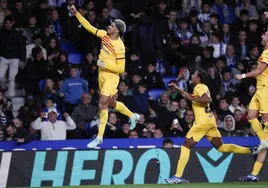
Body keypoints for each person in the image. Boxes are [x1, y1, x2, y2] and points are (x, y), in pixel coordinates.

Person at [165, 69, 255, 184]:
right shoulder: (200, 87)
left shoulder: (200, 87)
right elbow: (187, 95)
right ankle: (250, 151)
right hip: (210, 121)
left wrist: (192, 98)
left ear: (198, 78)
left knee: (186, 146)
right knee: (221, 147)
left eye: (194, 75)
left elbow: (207, 99)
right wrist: (177, 88)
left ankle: (177, 176)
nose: (192, 76)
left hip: (202, 122)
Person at [69, 5, 140, 148]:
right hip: (101, 76)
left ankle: (99, 137)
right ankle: (133, 116)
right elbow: (88, 26)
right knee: (112, 104)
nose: (109, 26)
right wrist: (76, 13)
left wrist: (104, 65)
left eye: (112, 25)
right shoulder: (104, 35)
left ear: (117, 30)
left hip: (111, 77)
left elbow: (121, 68)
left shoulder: (119, 46)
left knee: (102, 103)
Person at [236, 11, 268, 182]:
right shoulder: (266, 50)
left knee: (266, 123)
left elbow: (259, 71)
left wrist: (242, 76)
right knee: (250, 116)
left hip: (266, 90)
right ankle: (264, 141)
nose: (262, 36)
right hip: (259, 90)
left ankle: (254, 174)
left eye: (265, 34)